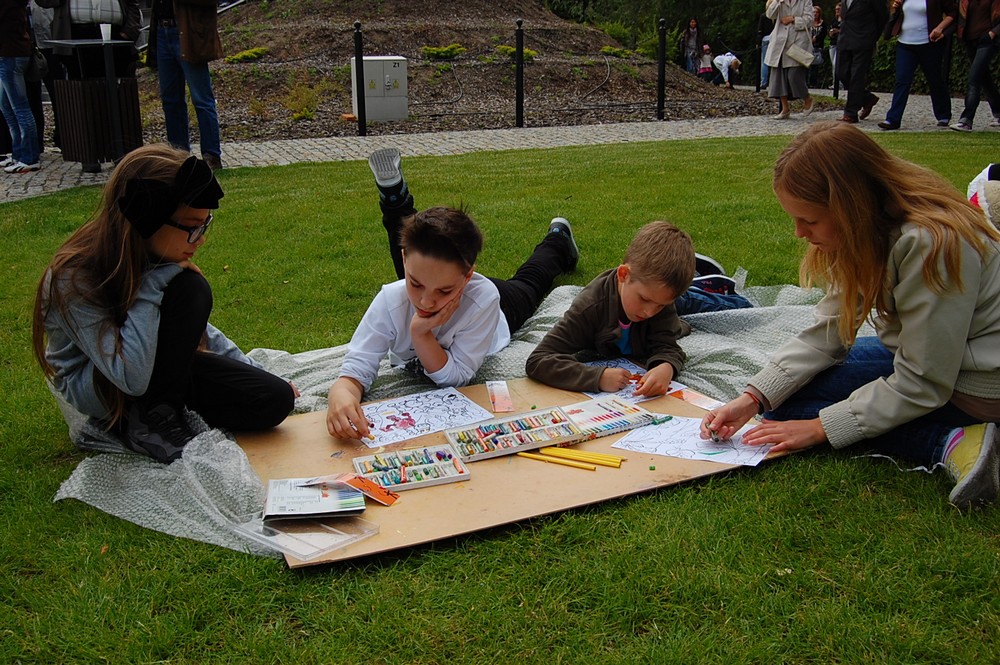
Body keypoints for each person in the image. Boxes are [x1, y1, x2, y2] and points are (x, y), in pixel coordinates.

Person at [701, 121, 1000, 510]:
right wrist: (752, 397)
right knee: (780, 405)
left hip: (978, 385)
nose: (799, 233)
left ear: (850, 207)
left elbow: (923, 381)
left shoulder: (933, 244)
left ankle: (950, 442)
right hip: (938, 360)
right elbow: (830, 328)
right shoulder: (871, 229)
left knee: (800, 419)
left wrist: (820, 429)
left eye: (809, 220)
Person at [31, 144, 296, 463]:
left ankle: (161, 411)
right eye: (192, 228)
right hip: (104, 384)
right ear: (148, 218)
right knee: (191, 287)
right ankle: (149, 422)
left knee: (274, 399)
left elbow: (195, 330)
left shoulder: (155, 255)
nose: (200, 239)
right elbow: (130, 376)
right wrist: (153, 284)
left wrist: (250, 368)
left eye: (205, 225)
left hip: (155, 367)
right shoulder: (73, 277)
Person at [326, 148, 579, 440]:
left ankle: (558, 238)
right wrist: (342, 393)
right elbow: (356, 369)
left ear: (468, 275)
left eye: (443, 291)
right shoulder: (391, 300)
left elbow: (456, 377)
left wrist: (421, 334)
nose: (426, 301)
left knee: (531, 281)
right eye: (415, 283)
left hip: (501, 310)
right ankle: (397, 203)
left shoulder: (483, 299)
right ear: (403, 260)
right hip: (445, 278)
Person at [525, 221, 693, 397]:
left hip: (674, 307)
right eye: (644, 299)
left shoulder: (658, 299)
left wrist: (666, 367)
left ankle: (696, 282)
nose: (649, 312)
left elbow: (668, 347)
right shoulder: (589, 307)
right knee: (690, 301)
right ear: (623, 275)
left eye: (661, 305)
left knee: (688, 304)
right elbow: (539, 359)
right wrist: (597, 377)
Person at [38, 0, 140, 172]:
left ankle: (122, 152)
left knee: (117, 96)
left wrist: (129, 31)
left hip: (116, 34)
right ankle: (90, 155)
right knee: (83, 98)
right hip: (76, 34)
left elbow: (133, 5)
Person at [147, 0, 224, 170]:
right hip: (162, 30)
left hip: (188, 33)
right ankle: (178, 156)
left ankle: (211, 155)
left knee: (201, 99)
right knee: (170, 101)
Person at [879, 0, 957, 130]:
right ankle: (893, 119)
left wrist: (939, 28)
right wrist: (896, 8)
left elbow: (953, 12)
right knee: (902, 80)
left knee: (935, 79)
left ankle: (943, 114)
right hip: (905, 43)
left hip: (928, 44)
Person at [0, 0, 41, 173]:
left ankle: (29, 157)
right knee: (6, 107)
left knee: (20, 108)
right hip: (10, 53)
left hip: (10, 55)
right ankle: (18, 153)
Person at [950, 0, 1000, 132]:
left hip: (987, 41)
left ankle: (966, 120)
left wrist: (993, 33)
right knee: (984, 79)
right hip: (970, 41)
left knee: (974, 79)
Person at [836, 0, 890, 123]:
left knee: (856, 76)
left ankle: (850, 113)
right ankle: (867, 98)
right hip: (845, 39)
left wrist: (873, 36)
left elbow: (883, 15)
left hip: (863, 40)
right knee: (841, 73)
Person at [765, 0, 816, 119]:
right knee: (779, 76)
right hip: (780, 42)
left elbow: (810, 20)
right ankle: (785, 109)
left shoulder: (805, 1)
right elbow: (770, 15)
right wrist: (777, 1)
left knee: (794, 76)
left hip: (797, 42)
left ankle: (807, 98)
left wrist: (793, 19)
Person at [809, 5, 828, 87]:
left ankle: (813, 83)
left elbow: (824, 34)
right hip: (809, 46)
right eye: (813, 12)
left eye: (817, 12)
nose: (815, 14)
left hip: (818, 47)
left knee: (815, 66)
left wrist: (816, 38)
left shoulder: (823, 24)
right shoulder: (809, 22)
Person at [758, 12, 776, 90]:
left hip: (765, 38)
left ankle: (763, 82)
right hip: (774, 39)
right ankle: (774, 83)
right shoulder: (777, 16)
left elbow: (760, 29)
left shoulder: (764, 16)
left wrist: (758, 41)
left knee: (764, 62)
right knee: (774, 62)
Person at [829, 2, 842, 83]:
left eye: (839, 9)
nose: (837, 11)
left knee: (836, 64)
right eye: (836, 9)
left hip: (841, 44)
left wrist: (838, 31)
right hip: (833, 44)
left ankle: (840, 83)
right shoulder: (834, 20)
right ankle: (835, 82)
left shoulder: (845, 20)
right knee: (833, 65)